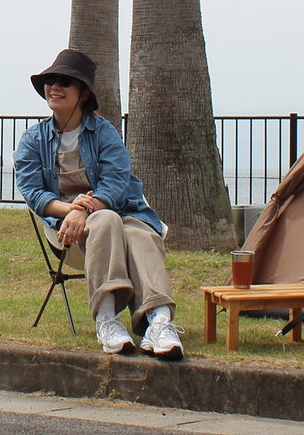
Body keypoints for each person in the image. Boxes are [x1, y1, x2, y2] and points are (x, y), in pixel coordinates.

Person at [14, 49, 184, 359]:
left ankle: (159, 323)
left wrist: (83, 208)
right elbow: (33, 192)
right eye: (51, 80)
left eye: (65, 81)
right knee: (105, 221)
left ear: (83, 94)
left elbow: (116, 181)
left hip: (119, 210)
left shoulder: (104, 132)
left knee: (141, 234)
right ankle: (107, 320)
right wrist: (72, 211)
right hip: (67, 230)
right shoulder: (33, 140)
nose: (55, 87)